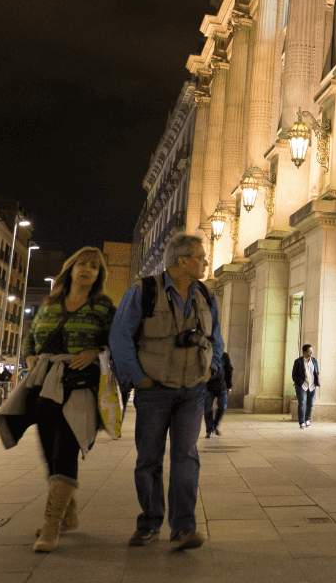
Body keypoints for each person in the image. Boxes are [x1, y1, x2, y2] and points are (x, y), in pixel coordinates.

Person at [0, 246, 117, 553]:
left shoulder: (103, 307)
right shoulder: (51, 304)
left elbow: (116, 341)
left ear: (99, 275)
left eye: (93, 267)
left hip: (80, 388)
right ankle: (68, 514)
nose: (87, 269)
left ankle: (51, 526)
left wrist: (95, 351)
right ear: (71, 269)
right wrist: (30, 357)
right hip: (44, 387)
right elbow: (30, 338)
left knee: (65, 451)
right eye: (82, 264)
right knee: (49, 453)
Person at [110, 232, 223, 551]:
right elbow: (120, 337)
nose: (205, 262)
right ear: (182, 261)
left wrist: (211, 370)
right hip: (154, 389)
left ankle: (184, 528)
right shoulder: (144, 291)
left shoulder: (206, 295)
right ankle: (149, 522)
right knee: (149, 458)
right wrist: (139, 378)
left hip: (192, 390)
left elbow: (216, 339)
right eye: (201, 257)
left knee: (186, 456)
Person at [203, 351, 232, 438]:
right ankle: (209, 430)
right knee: (207, 409)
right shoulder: (206, 354)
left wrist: (229, 386)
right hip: (208, 387)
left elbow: (229, 370)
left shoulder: (224, 355)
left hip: (222, 387)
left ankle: (215, 426)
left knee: (222, 407)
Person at [291, 344, 319, 429]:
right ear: (305, 352)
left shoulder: (314, 360)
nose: (311, 352)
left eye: (312, 350)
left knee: (310, 404)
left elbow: (317, 372)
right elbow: (294, 375)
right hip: (302, 386)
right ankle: (302, 422)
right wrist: (298, 383)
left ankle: (307, 420)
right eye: (310, 351)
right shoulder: (298, 361)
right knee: (302, 403)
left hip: (312, 386)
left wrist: (316, 382)